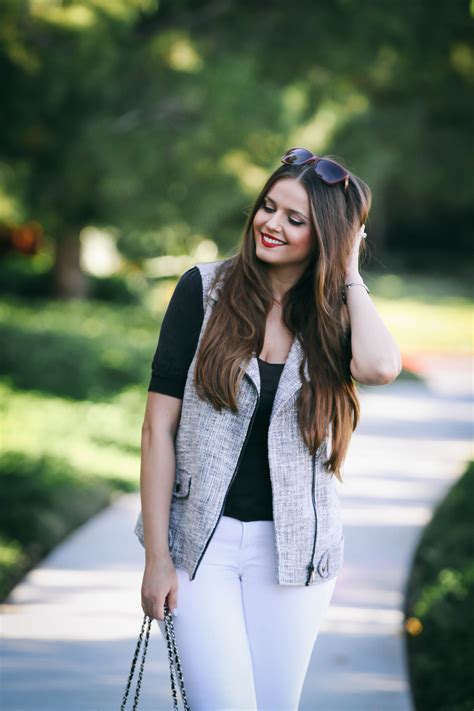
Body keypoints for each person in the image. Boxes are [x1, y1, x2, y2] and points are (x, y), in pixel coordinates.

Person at [134, 147, 402, 710]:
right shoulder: (202, 292)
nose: (270, 224)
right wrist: (157, 557)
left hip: (297, 553)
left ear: (327, 236)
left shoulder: (334, 314)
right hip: (199, 548)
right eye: (268, 207)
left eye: (294, 219)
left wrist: (350, 272)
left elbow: (379, 368)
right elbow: (159, 428)